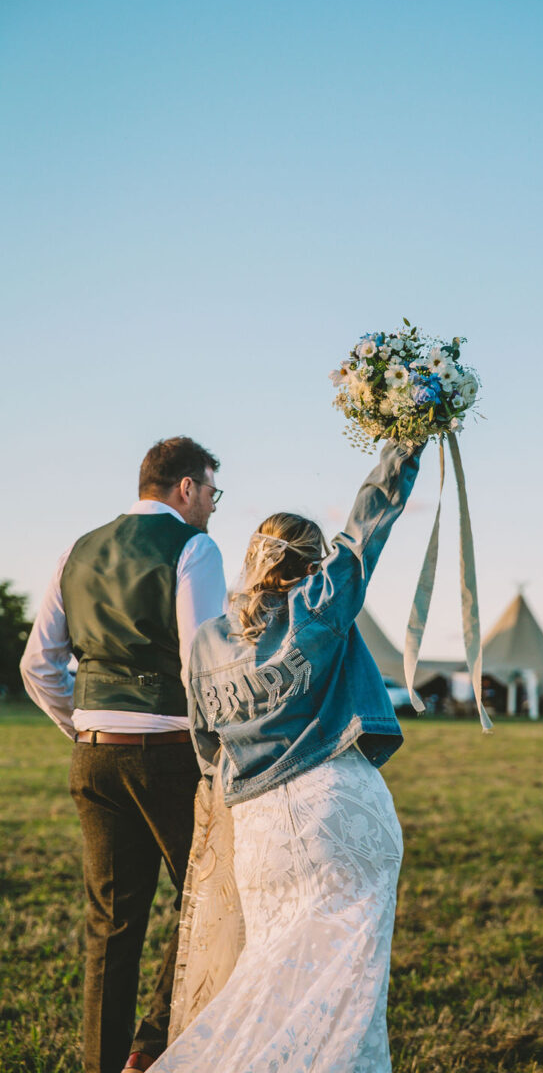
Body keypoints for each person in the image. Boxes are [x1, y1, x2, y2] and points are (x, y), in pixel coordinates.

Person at [151, 438, 422, 1073]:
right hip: (340, 811)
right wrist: (404, 444)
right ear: (312, 564)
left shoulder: (205, 642)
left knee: (267, 988)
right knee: (344, 997)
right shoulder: (319, 606)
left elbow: (205, 748)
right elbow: (368, 527)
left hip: (259, 834)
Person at [20, 437, 228, 1073]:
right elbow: (203, 666)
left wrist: (86, 728)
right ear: (185, 488)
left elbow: (38, 664)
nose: (215, 507)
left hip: (93, 756)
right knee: (208, 896)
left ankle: (105, 1066)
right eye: (213, 492)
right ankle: (152, 1044)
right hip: (169, 753)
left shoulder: (75, 550)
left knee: (110, 926)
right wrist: (212, 755)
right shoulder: (194, 547)